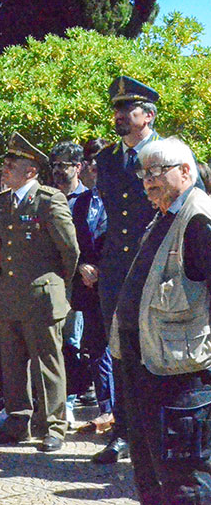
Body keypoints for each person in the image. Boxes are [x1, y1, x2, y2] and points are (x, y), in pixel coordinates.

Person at [109, 137, 211, 503]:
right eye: (144, 173)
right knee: (151, 473)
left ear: (185, 171)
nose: (148, 180)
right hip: (146, 369)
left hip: (182, 379)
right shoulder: (164, 216)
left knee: (186, 478)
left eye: (157, 171)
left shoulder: (199, 218)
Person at [0, 133, 79, 452]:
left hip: (41, 298)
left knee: (47, 364)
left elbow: (70, 250)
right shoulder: (3, 204)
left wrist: (57, 286)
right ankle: (17, 421)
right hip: (10, 298)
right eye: (5, 164)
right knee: (12, 365)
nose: (5, 169)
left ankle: (54, 426)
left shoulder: (50, 200)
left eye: (13, 165)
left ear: (31, 171)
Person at [92, 76, 162, 464]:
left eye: (127, 110)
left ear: (147, 116)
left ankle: (154, 430)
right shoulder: (106, 158)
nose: (118, 116)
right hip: (117, 269)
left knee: (152, 350)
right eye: (116, 109)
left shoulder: (167, 154)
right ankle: (123, 431)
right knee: (119, 350)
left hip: (153, 266)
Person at [71, 138, 115, 435]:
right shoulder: (82, 201)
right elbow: (71, 243)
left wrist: (103, 270)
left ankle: (121, 413)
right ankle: (106, 409)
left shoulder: (122, 199)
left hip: (114, 285)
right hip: (87, 287)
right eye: (88, 161)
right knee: (96, 348)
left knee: (120, 350)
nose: (92, 166)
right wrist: (80, 268)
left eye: (98, 160)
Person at [49, 140, 90, 424]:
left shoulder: (89, 199)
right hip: (49, 281)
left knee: (72, 341)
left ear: (78, 167)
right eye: (54, 165)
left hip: (76, 283)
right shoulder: (46, 196)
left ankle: (70, 401)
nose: (57, 171)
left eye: (63, 165)